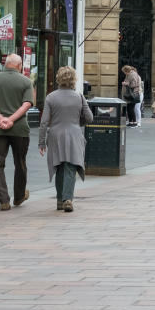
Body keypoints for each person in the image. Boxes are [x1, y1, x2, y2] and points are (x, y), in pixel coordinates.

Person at [38, 66, 94, 212]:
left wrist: (41, 142)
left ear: (58, 78)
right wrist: (77, 122)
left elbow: (44, 122)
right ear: (73, 79)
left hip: (55, 135)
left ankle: (59, 200)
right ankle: (68, 198)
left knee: (59, 165)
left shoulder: (50, 97)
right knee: (70, 165)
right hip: (74, 134)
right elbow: (90, 118)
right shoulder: (79, 97)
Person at [0, 53, 34, 210]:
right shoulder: (26, 82)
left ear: (5, 64)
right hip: (20, 129)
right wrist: (12, 119)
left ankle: (3, 200)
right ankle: (19, 196)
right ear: (19, 66)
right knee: (20, 163)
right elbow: (27, 104)